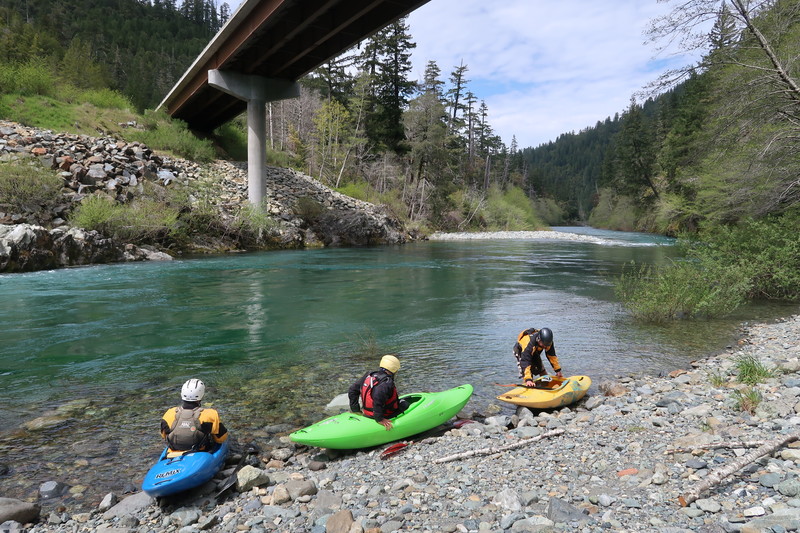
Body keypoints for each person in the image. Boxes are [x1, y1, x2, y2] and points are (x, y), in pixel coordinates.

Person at [160, 378, 228, 455]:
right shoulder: (210, 414)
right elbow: (221, 439)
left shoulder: (169, 413)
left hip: (172, 453)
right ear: (201, 395)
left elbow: (164, 435)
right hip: (200, 452)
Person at [348, 355, 409, 431]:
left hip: (366, 412)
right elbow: (377, 399)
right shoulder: (387, 383)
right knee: (405, 404)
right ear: (394, 370)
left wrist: (355, 410)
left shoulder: (369, 375)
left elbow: (352, 390)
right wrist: (380, 419)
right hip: (383, 415)